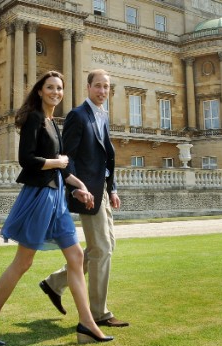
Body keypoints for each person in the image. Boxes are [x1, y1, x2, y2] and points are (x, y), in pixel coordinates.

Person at [0, 70, 114, 346]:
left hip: (58, 196)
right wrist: (57, 164)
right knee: (23, 262)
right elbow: (26, 159)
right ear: (40, 91)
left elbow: (61, 167)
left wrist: (79, 186)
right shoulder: (35, 118)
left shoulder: (52, 121)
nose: (56, 92)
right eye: (50, 87)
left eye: (59, 88)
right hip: (39, 197)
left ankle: (87, 324)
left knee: (75, 256)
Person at [40, 69, 129, 328]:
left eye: (106, 87)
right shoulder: (78, 115)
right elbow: (68, 157)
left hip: (102, 189)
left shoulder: (102, 116)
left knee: (101, 248)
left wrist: (112, 188)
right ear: (88, 88)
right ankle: (99, 313)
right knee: (102, 250)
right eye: (98, 86)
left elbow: (105, 158)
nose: (103, 91)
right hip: (87, 192)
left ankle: (54, 283)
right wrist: (77, 188)